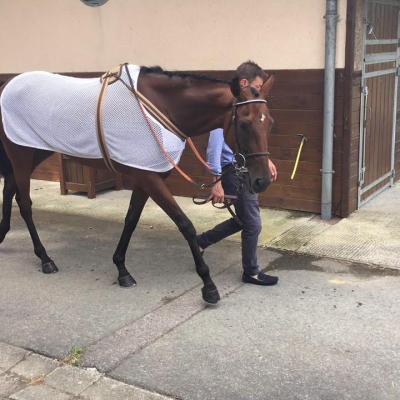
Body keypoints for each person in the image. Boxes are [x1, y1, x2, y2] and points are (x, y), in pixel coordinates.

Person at [197, 61, 279, 286]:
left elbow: (252, 137)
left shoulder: (248, 106)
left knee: (245, 219)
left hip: (244, 166)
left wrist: (266, 159)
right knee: (252, 222)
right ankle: (251, 271)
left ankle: (201, 241)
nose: (260, 90)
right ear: (244, 83)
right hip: (232, 170)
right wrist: (216, 180)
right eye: (257, 86)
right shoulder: (227, 107)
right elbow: (213, 145)